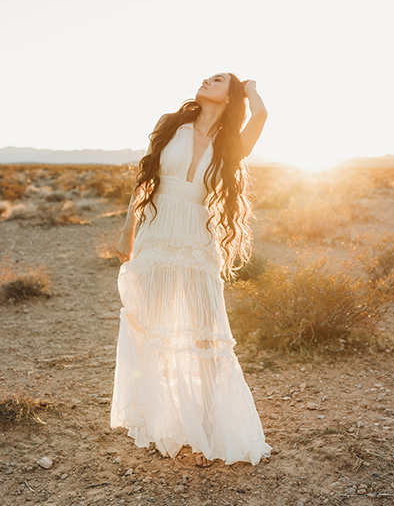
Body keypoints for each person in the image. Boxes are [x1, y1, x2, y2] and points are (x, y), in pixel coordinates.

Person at [110, 72, 272, 467]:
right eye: (206, 76)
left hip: (197, 239)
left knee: (205, 339)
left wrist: (250, 90)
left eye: (217, 79)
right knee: (152, 330)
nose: (205, 80)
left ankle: (208, 430)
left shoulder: (230, 143)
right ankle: (168, 422)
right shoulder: (171, 124)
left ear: (230, 95)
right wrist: (127, 231)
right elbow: (144, 182)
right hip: (156, 231)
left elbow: (261, 116)